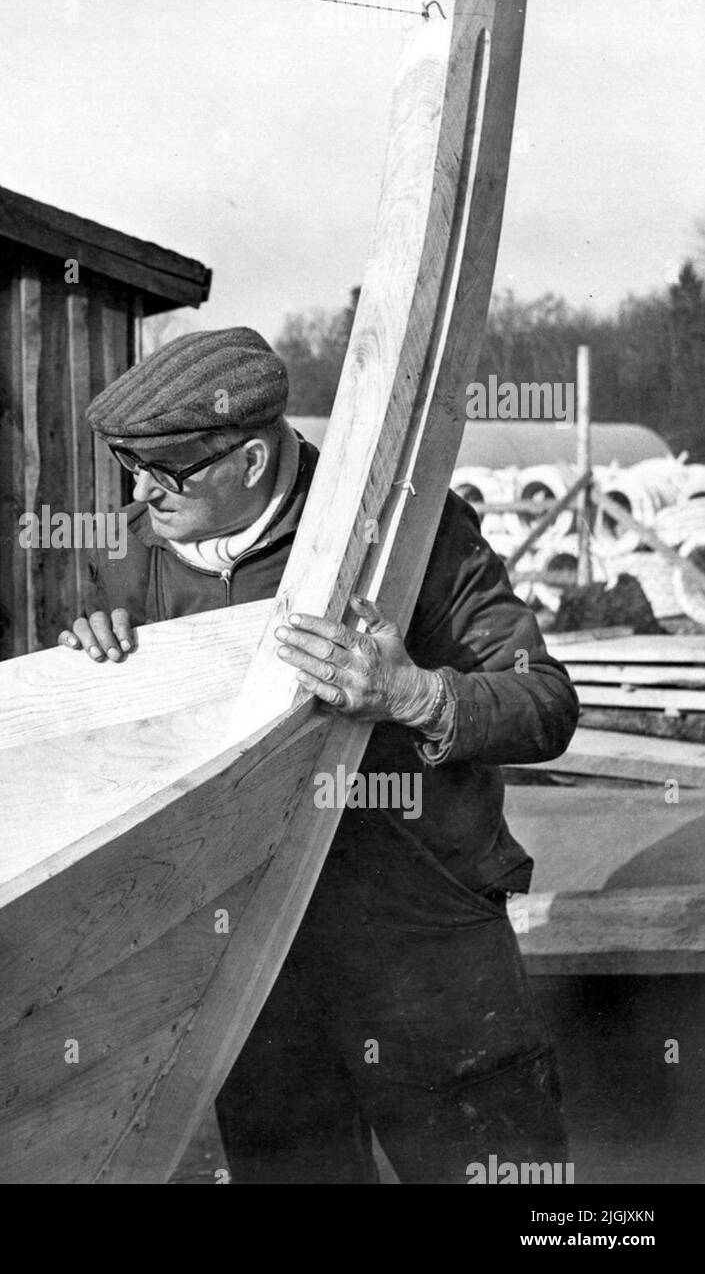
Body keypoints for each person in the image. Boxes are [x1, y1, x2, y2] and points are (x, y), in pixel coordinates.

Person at [59, 325, 578, 1184]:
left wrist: (412, 696)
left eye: (169, 471)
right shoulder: (121, 556)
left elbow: (545, 705)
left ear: (254, 462)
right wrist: (92, 670)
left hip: (421, 941)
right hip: (252, 957)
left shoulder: (413, 533)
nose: (143, 493)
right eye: (130, 466)